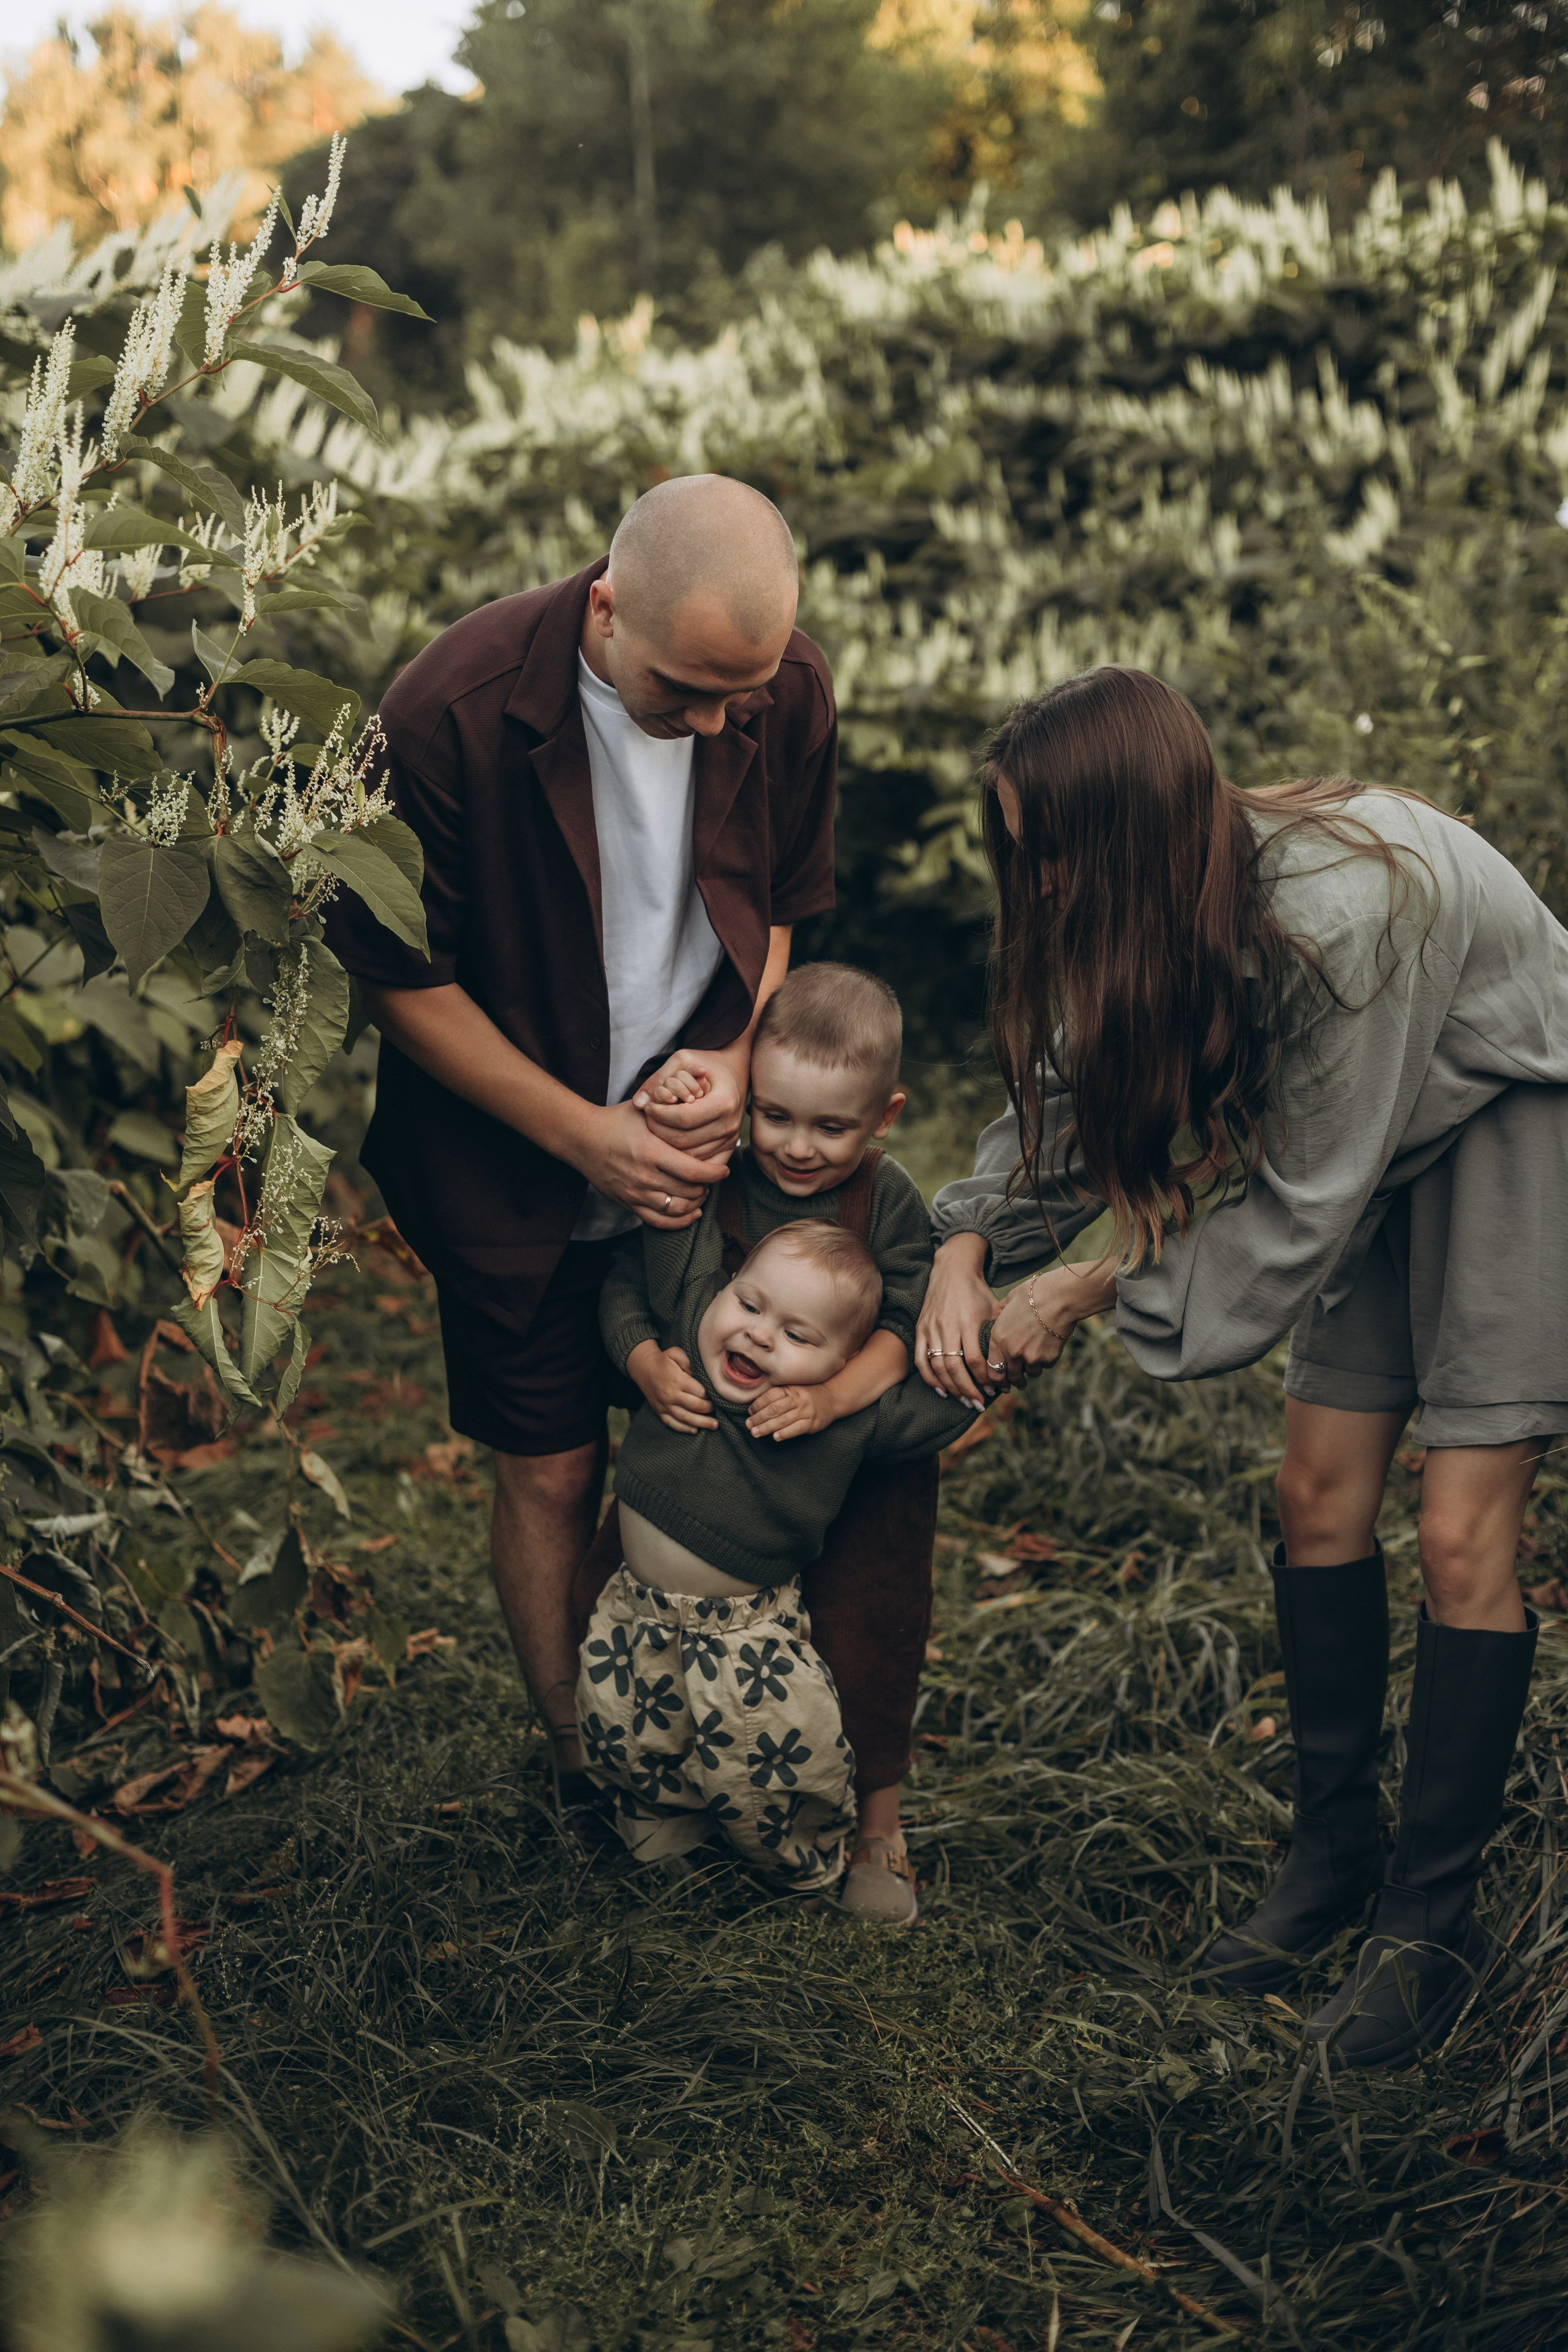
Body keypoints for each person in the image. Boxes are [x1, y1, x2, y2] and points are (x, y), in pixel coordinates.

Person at [916, 665, 1567, 2071]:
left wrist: (1080, 1284)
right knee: (1312, 1496)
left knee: (1459, 1527)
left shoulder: (1342, 914)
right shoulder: (1137, 900)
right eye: (1016, 847)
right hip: (1380, 1141)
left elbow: (1301, 1195)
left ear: (1133, 826)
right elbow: (1066, 1093)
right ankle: (1330, 1856)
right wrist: (969, 1244)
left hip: (1515, 1113)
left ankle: (1425, 1925)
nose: (1031, 883)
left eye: (1048, 848)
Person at [326, 475, 834, 1817]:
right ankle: (586, 1764)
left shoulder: (777, 684)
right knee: (549, 1465)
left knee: (727, 1441)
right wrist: (586, 1140)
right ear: (604, 610)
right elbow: (396, 977)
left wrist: (733, 1055)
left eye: (748, 693)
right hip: (507, 1159)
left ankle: (744, 1730)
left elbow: (783, 903)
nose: (726, 722)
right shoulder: (443, 711)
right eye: (688, 694)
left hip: (712, 1155)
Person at [580, 960, 940, 1920]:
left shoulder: (888, 1202)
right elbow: (630, 1281)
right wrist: (645, 1358)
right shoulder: (725, 1181)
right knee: (673, 1637)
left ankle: (877, 1826)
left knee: (867, 1627)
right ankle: (681, 1794)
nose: (798, 1147)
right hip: (718, 1472)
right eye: (775, 1115)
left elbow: (909, 1324)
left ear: (885, 1115)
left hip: (850, 1454)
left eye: (833, 1127)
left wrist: (832, 1404)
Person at [579, 1211, 978, 1901]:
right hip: (636, 1611)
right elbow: (635, 1279)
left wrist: (1001, 1348)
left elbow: (943, 1399)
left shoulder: (834, 1420)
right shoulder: (686, 1345)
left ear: (844, 1367)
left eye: (798, 1336)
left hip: (746, 1639)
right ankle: (659, 1826)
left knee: (766, 1759)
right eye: (749, 1303)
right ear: (725, 1288)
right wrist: (643, 1357)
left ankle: (795, 1861)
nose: (759, 1334)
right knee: (635, 1722)